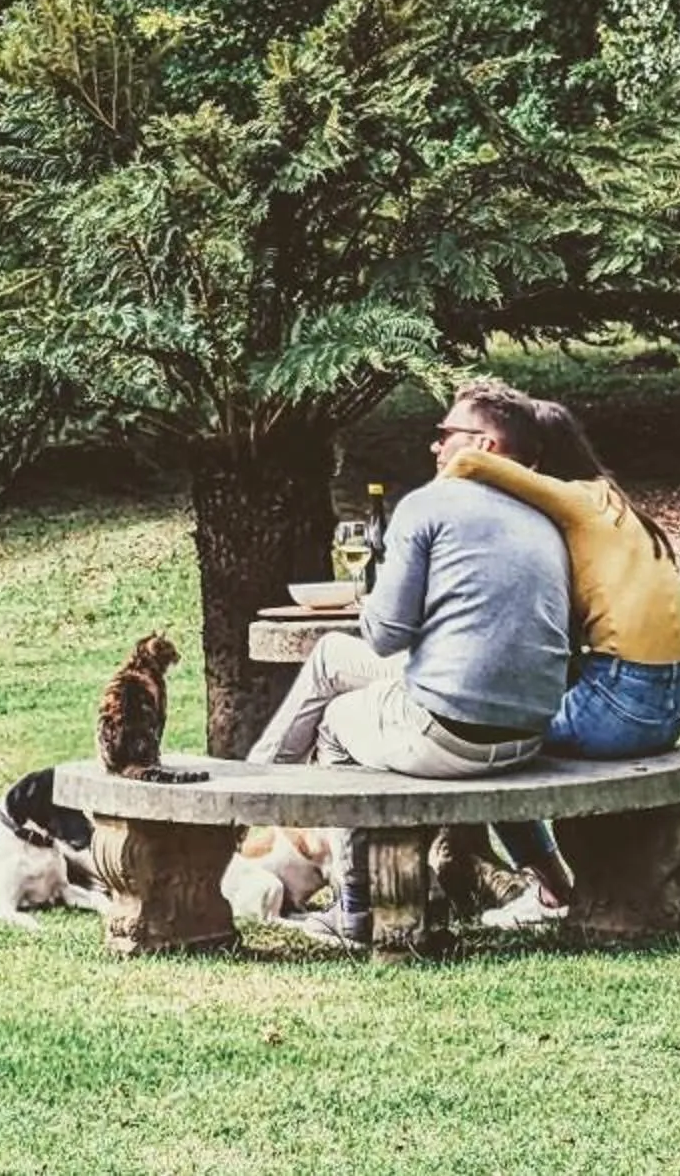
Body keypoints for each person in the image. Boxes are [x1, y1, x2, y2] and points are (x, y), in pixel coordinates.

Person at [247, 380, 572, 946]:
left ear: (485, 447)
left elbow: (384, 636)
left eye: (445, 435)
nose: (434, 447)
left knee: (336, 723)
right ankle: (260, 783)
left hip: (449, 735)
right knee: (329, 656)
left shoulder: (426, 505)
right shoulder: (543, 517)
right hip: (527, 733)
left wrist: (374, 599)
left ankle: (350, 904)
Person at [445, 393, 680, 922]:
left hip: (622, 707)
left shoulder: (577, 501)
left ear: (539, 462)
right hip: (667, 702)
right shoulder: (611, 501)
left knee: (486, 742)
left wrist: (431, 515)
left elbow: (469, 460)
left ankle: (551, 889)